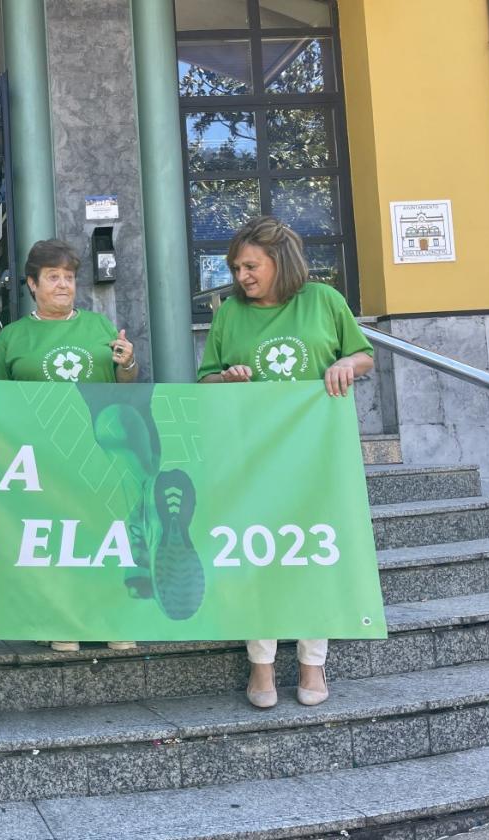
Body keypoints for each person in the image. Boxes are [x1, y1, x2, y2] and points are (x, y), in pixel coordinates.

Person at [197, 216, 374, 709]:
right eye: (236, 267)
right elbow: (205, 381)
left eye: (251, 265)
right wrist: (227, 380)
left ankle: (313, 661)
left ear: (282, 261)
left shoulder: (324, 301)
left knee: (313, 552)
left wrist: (344, 363)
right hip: (251, 457)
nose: (241, 276)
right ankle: (262, 663)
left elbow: (362, 355)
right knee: (258, 555)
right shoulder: (229, 313)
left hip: (316, 456)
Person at [0, 239, 139, 653]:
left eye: (69, 278)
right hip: (40, 458)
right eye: (52, 277)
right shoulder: (12, 338)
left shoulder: (100, 327)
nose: (63, 285)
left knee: (103, 534)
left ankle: (111, 618)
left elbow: (124, 389)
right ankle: (58, 619)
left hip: (97, 450)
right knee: (51, 537)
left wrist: (127, 363)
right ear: (32, 284)